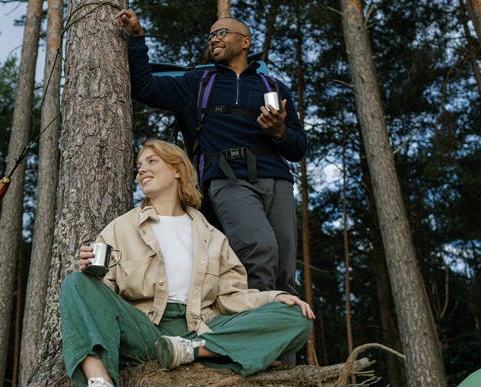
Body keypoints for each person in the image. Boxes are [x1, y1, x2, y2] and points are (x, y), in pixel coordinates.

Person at [60, 139, 314, 387]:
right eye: (139, 166)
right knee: (75, 282)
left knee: (297, 317)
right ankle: (99, 380)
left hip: (202, 328)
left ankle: (192, 351)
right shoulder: (121, 228)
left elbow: (231, 297)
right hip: (144, 330)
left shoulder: (212, 237)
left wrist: (272, 299)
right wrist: (93, 273)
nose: (141, 170)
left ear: (177, 170)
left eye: (151, 161)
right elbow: (101, 300)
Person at [114, 10, 308, 297]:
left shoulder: (275, 88)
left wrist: (279, 132)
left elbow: (298, 147)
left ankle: (287, 336)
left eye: (222, 33)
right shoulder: (197, 82)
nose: (213, 39)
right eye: (211, 36)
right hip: (227, 179)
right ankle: (254, 328)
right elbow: (144, 88)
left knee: (283, 269)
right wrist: (137, 38)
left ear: (245, 42)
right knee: (259, 249)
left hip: (277, 180)